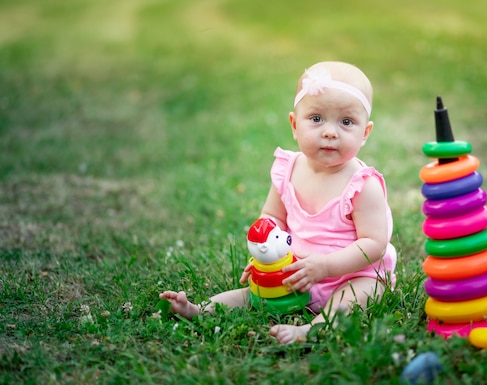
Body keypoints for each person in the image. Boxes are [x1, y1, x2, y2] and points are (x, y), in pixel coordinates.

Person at [159, 61, 397, 344]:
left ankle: (312, 330)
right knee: (251, 293)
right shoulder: (288, 169)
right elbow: (272, 217)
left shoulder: (363, 185)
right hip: (294, 268)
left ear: (365, 133)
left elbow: (374, 244)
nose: (330, 132)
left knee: (357, 295)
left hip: (350, 274)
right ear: (295, 125)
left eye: (346, 122)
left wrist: (326, 267)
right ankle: (200, 309)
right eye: (317, 118)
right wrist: (265, 255)